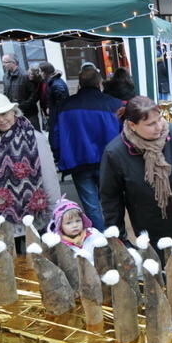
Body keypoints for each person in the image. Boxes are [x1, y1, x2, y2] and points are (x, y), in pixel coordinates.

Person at [100, 96, 172, 287]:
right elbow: (111, 198)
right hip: (151, 230)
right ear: (132, 125)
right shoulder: (115, 153)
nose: (158, 127)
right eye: (150, 124)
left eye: (159, 119)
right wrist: (119, 237)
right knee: (163, 281)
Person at [0, 93, 61, 232]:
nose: (1, 120)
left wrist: (55, 214)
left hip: (32, 219)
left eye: (4, 114)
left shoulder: (34, 138)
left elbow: (49, 178)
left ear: (13, 111)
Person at [56, 68, 124, 231]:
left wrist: (60, 156)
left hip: (78, 161)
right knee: (111, 202)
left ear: (80, 84)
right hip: (108, 161)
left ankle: (101, 238)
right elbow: (124, 136)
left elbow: (56, 136)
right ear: (99, 83)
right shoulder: (115, 104)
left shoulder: (65, 105)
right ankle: (116, 236)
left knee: (91, 205)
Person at [1, 54, 39, 128]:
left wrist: (22, 106)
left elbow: (34, 95)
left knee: (34, 135)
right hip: (13, 113)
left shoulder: (26, 75)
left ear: (14, 63)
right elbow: (5, 93)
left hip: (29, 114)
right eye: (3, 62)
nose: (3, 65)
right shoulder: (5, 76)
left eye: (5, 62)